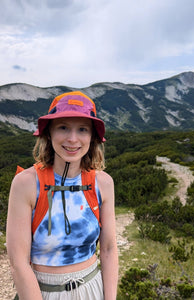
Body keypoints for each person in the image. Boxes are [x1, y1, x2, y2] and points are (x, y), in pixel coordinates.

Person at [6, 91, 118, 300]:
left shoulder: (103, 183)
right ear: (49, 133)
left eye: (82, 129)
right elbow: (18, 262)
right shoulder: (26, 183)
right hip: (41, 293)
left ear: (92, 137)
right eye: (63, 127)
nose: (72, 139)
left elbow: (109, 249)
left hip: (92, 289)